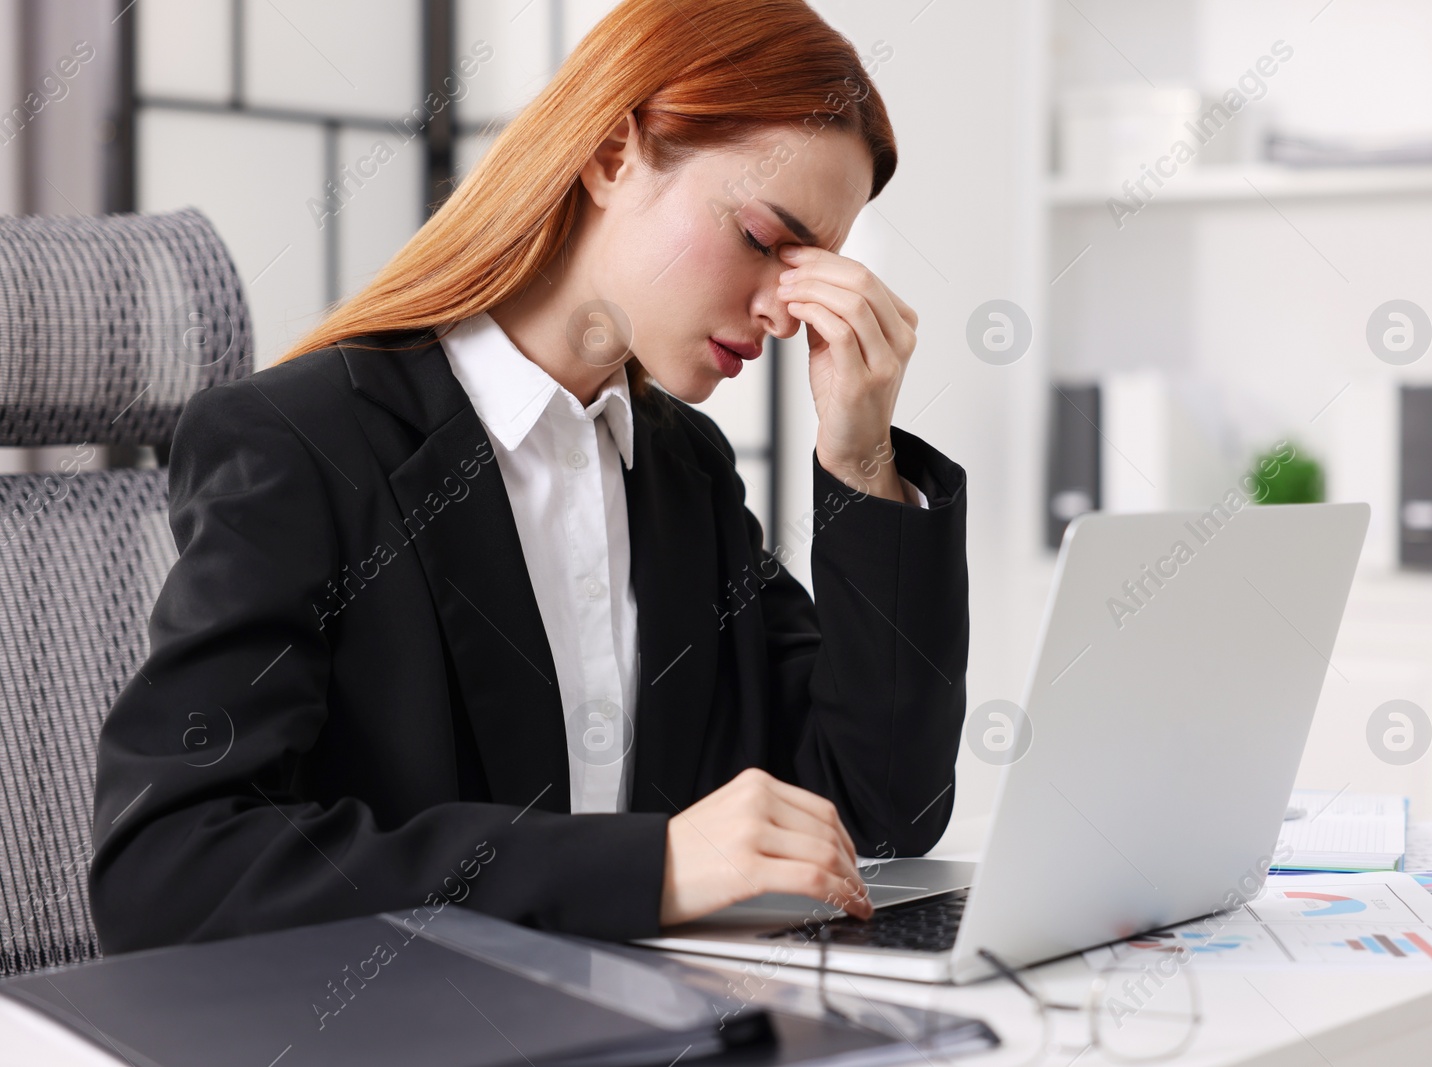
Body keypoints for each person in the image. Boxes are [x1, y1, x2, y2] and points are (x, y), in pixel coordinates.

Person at [89, 0, 968, 953]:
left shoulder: (681, 472)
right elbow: (170, 867)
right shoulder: (306, 444)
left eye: (813, 268)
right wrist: (653, 868)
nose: (784, 311)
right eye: (762, 239)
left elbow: (879, 807)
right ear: (611, 155)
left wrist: (861, 458)